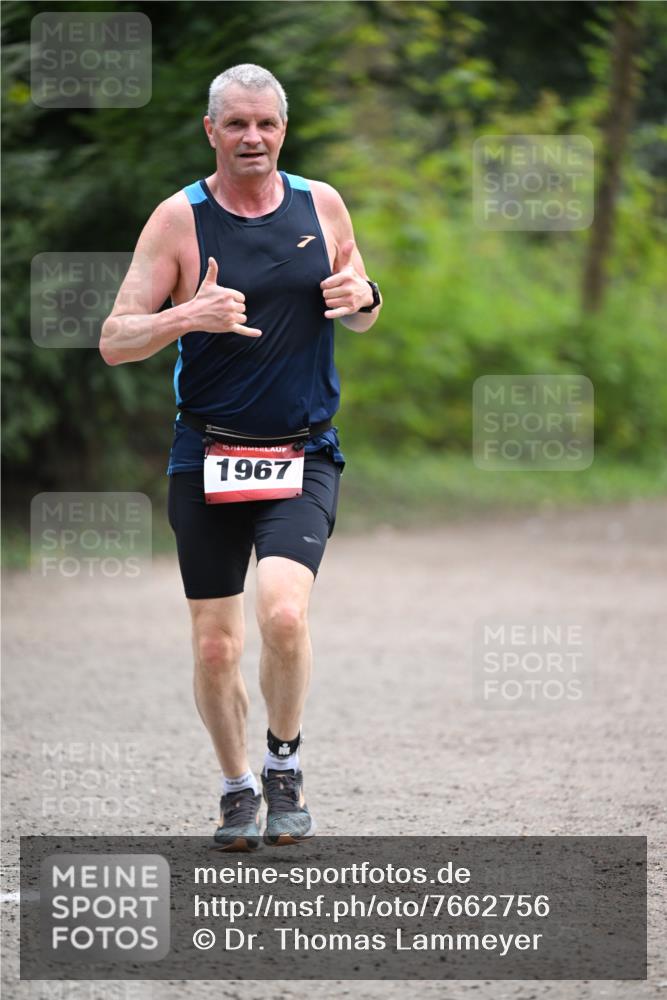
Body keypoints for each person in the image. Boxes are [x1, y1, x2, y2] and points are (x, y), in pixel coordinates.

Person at [100, 64, 382, 850]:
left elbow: (354, 295)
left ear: (282, 130)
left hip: (303, 452)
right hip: (208, 454)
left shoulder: (319, 203)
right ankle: (235, 788)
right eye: (236, 125)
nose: (251, 138)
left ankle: (282, 764)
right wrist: (186, 315)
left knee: (285, 614)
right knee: (216, 643)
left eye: (265, 124)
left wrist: (367, 299)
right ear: (211, 132)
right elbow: (115, 340)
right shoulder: (178, 221)